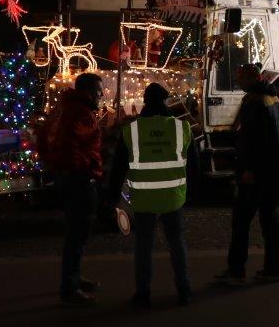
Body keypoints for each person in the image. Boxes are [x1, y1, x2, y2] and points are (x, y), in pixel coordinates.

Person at [109, 83, 192, 308]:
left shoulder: (132, 131)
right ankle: (184, 289)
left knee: (143, 245)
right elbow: (191, 164)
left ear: (145, 101)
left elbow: (118, 168)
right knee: (176, 242)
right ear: (166, 101)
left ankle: (143, 293)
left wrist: (112, 197)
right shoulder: (181, 128)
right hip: (173, 196)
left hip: (143, 197)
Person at [216, 65, 279, 286]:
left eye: (241, 78)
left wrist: (249, 169)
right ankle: (273, 269)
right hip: (272, 168)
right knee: (270, 219)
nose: (238, 82)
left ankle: (236, 270)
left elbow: (255, 139)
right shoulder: (272, 98)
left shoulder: (255, 101)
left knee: (241, 220)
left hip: (258, 171)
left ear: (252, 78)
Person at [43, 73, 106, 306]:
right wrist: (85, 168)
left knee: (76, 233)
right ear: (88, 92)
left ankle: (74, 277)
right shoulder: (79, 113)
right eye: (99, 91)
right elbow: (72, 146)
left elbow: (45, 136)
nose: (102, 95)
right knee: (77, 234)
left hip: (68, 177)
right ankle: (69, 287)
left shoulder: (65, 108)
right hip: (79, 179)